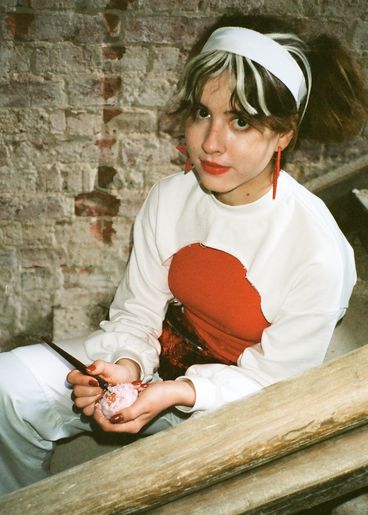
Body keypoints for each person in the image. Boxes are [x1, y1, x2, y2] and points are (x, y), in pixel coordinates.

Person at [0, 13, 367, 495]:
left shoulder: (318, 251)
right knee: (8, 387)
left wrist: (180, 393)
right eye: (202, 113)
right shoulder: (170, 198)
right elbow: (137, 313)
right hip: (153, 370)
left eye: (241, 121)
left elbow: (274, 385)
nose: (211, 143)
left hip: (231, 407)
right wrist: (125, 367)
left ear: (283, 133)